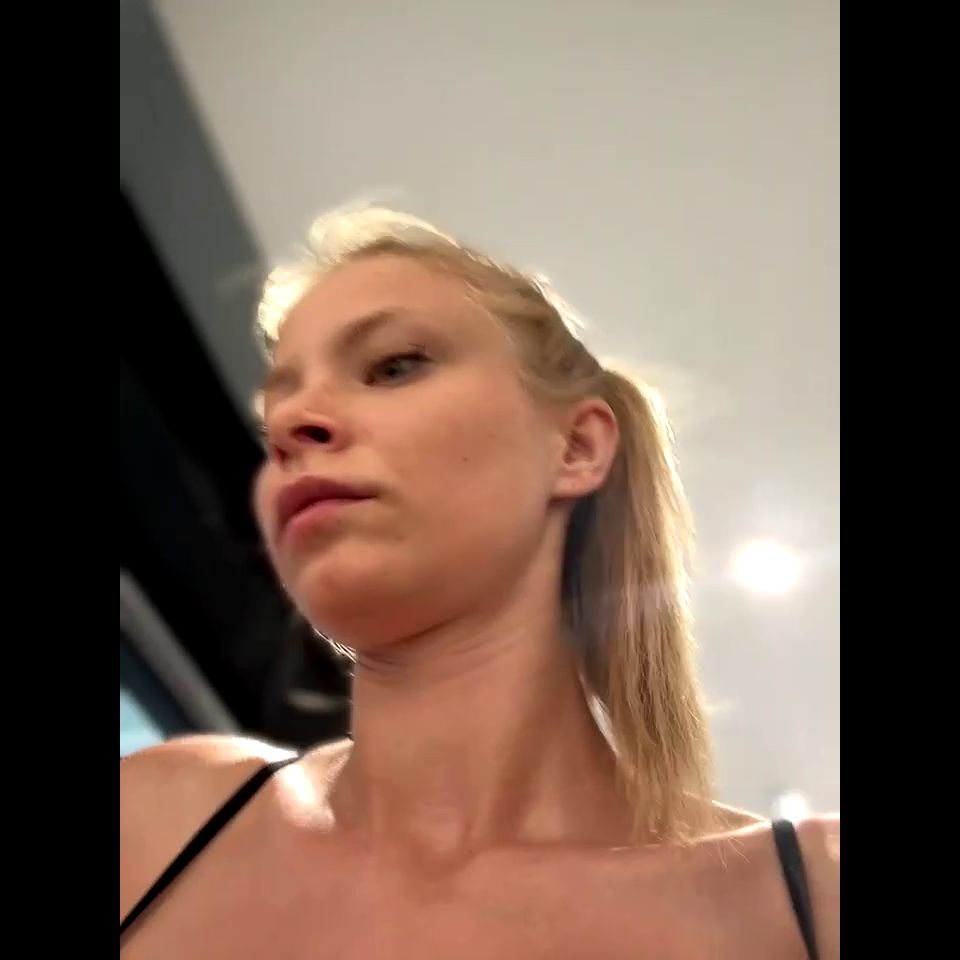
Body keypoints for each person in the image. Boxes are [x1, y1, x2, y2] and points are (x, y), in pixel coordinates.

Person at [120, 207, 840, 958]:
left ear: (577, 447)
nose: (293, 423)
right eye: (276, 409)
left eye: (393, 366)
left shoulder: (813, 901)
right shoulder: (155, 823)